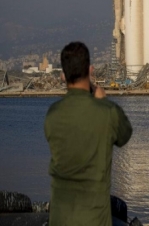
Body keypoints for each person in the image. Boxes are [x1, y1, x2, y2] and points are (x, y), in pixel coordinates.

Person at [44, 41, 133, 225]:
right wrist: (103, 101)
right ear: (91, 70)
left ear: (63, 76)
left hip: (60, 219)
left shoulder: (53, 115)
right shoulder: (106, 113)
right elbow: (125, 134)